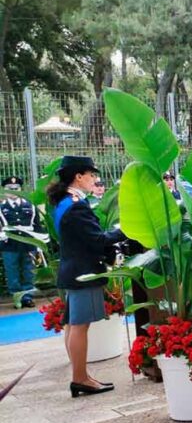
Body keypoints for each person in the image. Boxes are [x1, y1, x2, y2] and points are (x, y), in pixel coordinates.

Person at [49, 156, 126, 397]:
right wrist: (124, 231)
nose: (95, 179)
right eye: (91, 175)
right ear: (78, 176)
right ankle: (80, 378)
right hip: (84, 271)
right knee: (80, 326)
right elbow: (96, 240)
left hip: (73, 268)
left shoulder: (65, 201)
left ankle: (81, 375)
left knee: (73, 325)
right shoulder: (76, 204)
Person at [1, 177, 41, 307]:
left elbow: (37, 226)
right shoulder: (2, 207)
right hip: (9, 244)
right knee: (12, 271)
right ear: (4, 191)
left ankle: (27, 297)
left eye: (16, 189)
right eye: (10, 189)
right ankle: (17, 297)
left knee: (29, 270)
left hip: (28, 243)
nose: (13, 191)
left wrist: (39, 242)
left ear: (20, 189)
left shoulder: (30, 206)